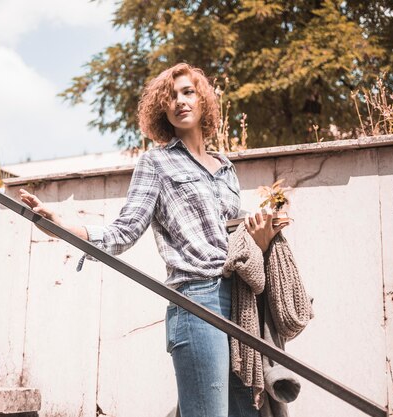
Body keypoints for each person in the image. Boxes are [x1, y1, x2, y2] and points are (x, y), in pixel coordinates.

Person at [19, 63, 286, 417]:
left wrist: (262, 238)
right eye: (170, 96)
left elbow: (233, 239)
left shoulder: (226, 168)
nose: (179, 101)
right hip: (197, 302)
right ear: (162, 109)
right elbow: (123, 231)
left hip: (240, 304)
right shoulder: (156, 163)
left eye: (188, 92)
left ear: (203, 100)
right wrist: (61, 226)